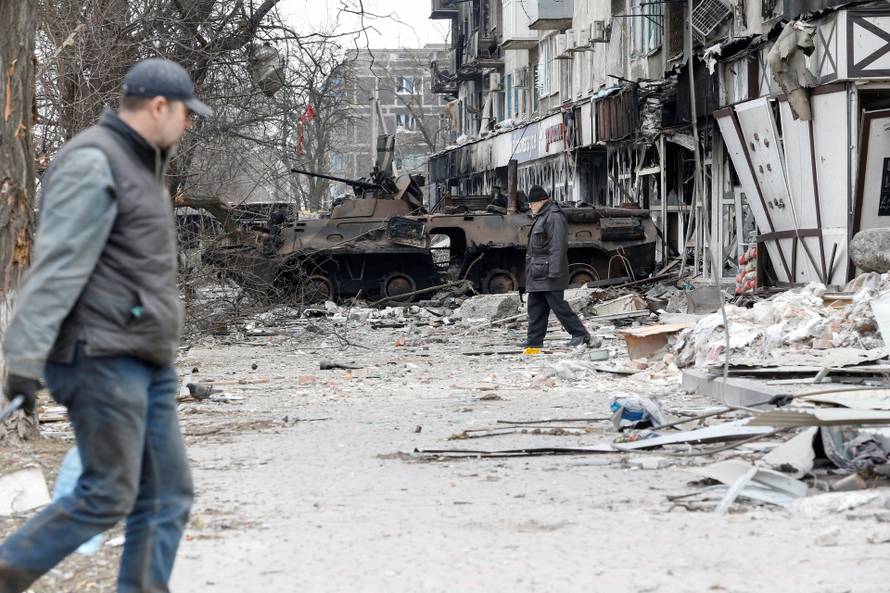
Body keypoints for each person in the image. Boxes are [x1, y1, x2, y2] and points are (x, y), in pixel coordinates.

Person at [0, 58, 212, 593]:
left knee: (167, 495)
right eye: (187, 114)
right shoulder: (93, 160)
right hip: (99, 355)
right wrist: (23, 360)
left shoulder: (141, 165)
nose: (189, 125)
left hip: (145, 357)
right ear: (159, 107)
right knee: (107, 492)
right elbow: (57, 265)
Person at [522, 185, 591, 349]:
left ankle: (580, 334)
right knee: (535, 306)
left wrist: (554, 271)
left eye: (531, 203)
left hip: (549, 272)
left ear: (540, 201)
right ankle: (534, 340)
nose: (530, 207)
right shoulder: (542, 215)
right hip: (539, 272)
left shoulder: (553, 216)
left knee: (558, 306)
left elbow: (557, 246)